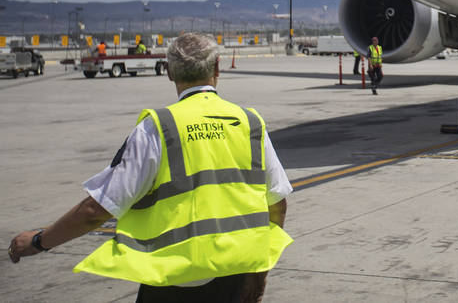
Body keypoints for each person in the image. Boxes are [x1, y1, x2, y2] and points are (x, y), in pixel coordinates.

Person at [8, 32, 293, 302]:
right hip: (235, 276)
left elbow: (95, 211)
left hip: (174, 284)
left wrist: (38, 240)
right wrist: (258, 273)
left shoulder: (158, 129)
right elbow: (277, 205)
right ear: (218, 67)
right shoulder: (250, 123)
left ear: (169, 72)